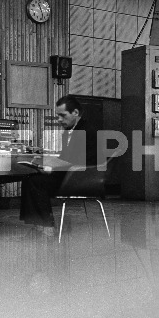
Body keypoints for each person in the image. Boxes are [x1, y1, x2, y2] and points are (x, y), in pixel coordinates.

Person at [19, 95, 98, 235]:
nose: (59, 119)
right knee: (31, 179)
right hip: (76, 175)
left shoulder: (84, 131)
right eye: (58, 116)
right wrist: (49, 167)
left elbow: (73, 161)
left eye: (62, 115)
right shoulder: (75, 130)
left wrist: (47, 163)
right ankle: (40, 224)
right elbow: (68, 159)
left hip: (80, 179)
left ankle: (47, 227)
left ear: (75, 113)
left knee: (35, 182)